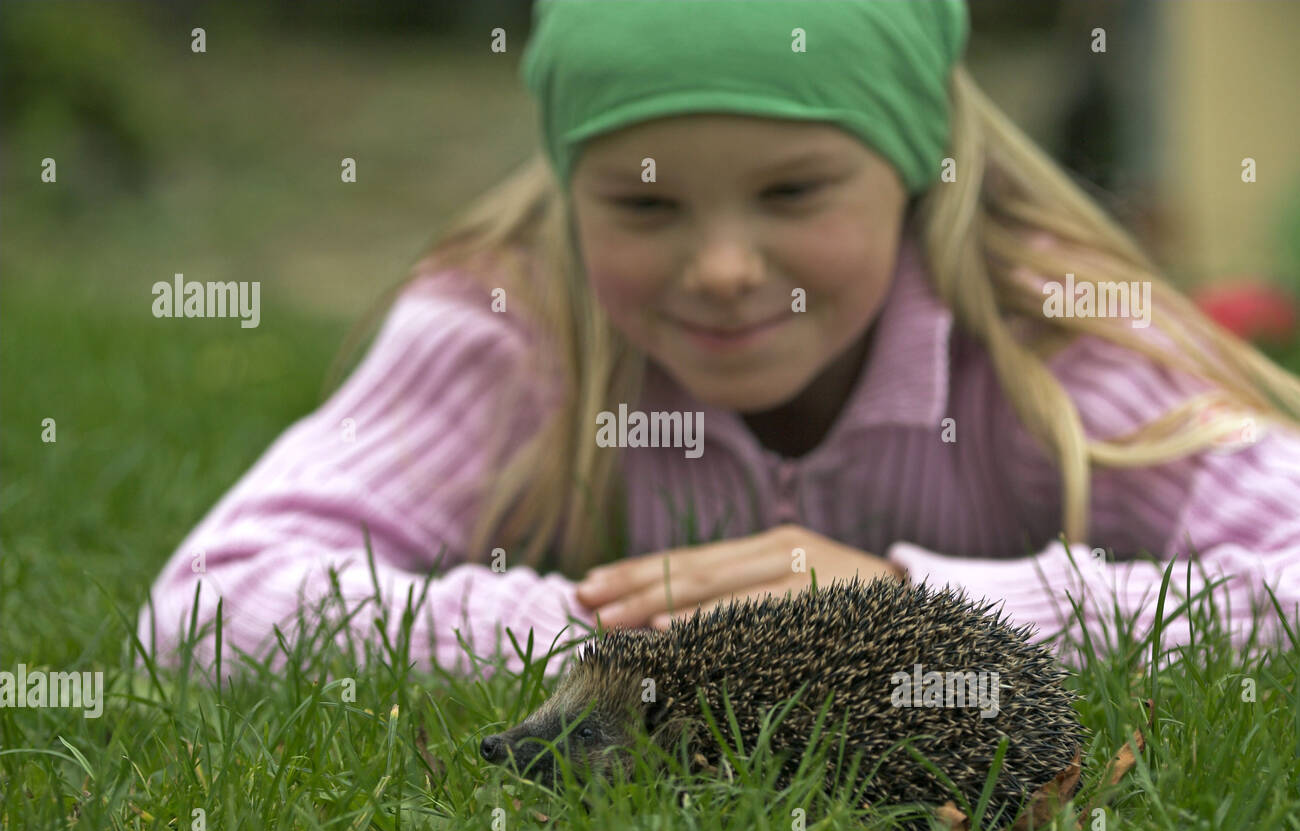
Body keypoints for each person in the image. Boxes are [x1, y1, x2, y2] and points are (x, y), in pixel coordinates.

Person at [137, 0, 1300, 676]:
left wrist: (916, 615)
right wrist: (650, 638)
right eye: (644, 206)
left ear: (911, 173)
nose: (724, 268)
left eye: (794, 193)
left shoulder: (1047, 337)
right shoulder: (514, 326)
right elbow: (206, 604)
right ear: (566, 190)